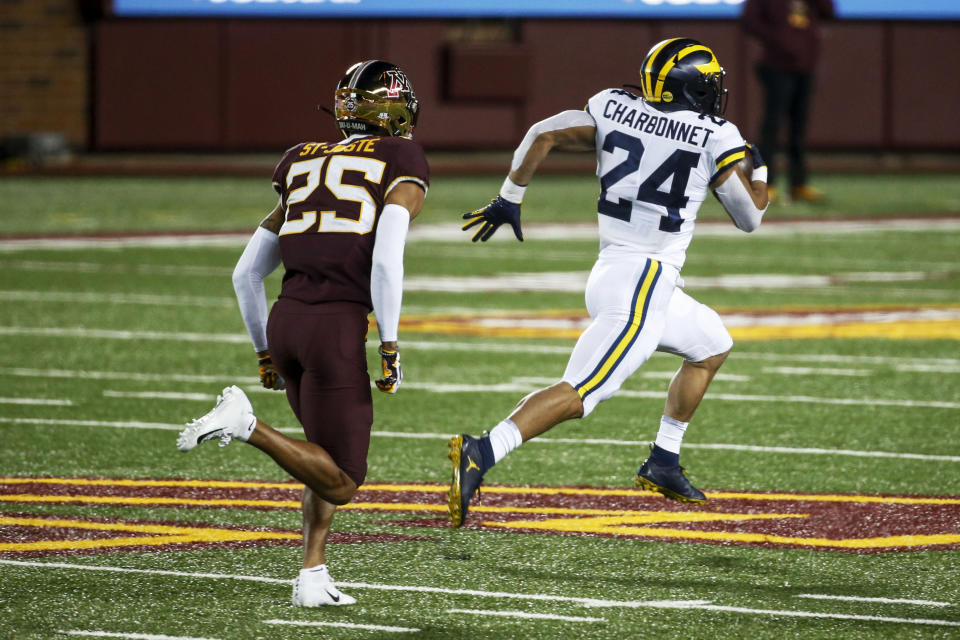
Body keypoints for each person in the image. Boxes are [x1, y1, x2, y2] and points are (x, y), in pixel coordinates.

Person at [447, 38, 768, 527]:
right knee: (582, 391)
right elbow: (750, 218)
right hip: (643, 281)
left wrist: (509, 198)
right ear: (695, 89)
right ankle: (483, 450)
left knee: (711, 345)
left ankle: (664, 460)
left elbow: (542, 133)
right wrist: (760, 173)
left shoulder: (612, 106)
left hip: (618, 272)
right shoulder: (717, 136)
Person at [177, 60, 428, 605]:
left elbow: (246, 273)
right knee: (343, 478)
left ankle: (311, 576)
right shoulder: (401, 156)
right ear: (393, 110)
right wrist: (389, 342)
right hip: (334, 329)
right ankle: (246, 426)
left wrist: (264, 350)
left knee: (321, 454)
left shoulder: (300, 159)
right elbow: (385, 261)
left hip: (286, 322)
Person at [741, 0, 835, 204]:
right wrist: (780, 40)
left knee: (799, 128)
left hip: (805, 65)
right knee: (772, 126)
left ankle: (798, 184)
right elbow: (750, 21)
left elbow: (829, 12)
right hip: (776, 64)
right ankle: (766, 183)